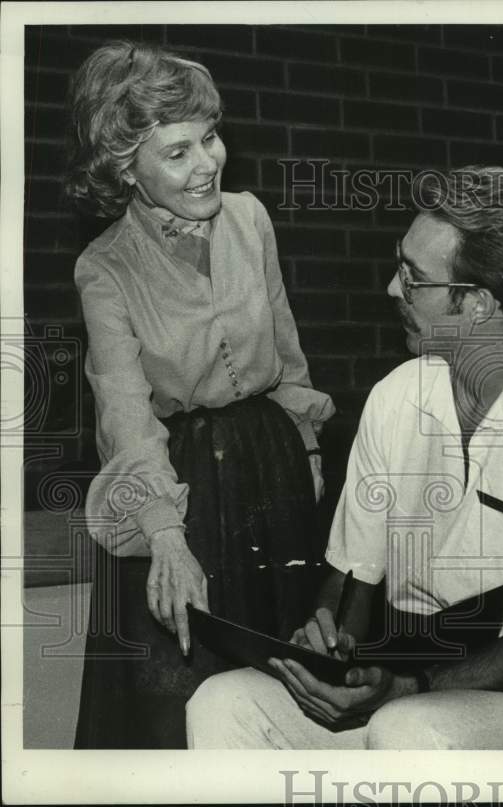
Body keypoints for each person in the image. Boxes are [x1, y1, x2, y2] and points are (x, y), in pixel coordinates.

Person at [186, 166, 503, 749]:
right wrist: (331, 647)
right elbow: (353, 579)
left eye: (414, 278)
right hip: (414, 664)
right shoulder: (397, 397)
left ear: (475, 303)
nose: (393, 290)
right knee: (224, 702)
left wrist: (409, 688)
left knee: (407, 729)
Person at [65, 41, 334, 748]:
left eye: (209, 138)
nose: (206, 161)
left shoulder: (251, 219)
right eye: (177, 151)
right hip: (174, 488)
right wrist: (164, 536)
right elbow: (125, 414)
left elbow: (289, 357)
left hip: (268, 473)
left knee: (283, 694)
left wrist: (305, 445)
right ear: (126, 168)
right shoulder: (105, 269)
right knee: (175, 701)